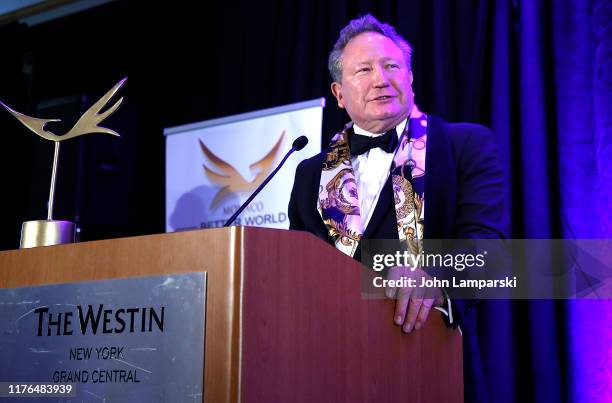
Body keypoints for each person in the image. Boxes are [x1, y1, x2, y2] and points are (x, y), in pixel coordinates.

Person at [288, 13, 508, 403]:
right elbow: (298, 273)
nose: (381, 78)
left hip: (428, 365)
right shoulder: (309, 173)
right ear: (338, 93)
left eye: (392, 66)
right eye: (364, 69)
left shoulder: (465, 145)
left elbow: (489, 251)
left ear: (410, 77)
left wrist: (436, 279)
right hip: (328, 369)